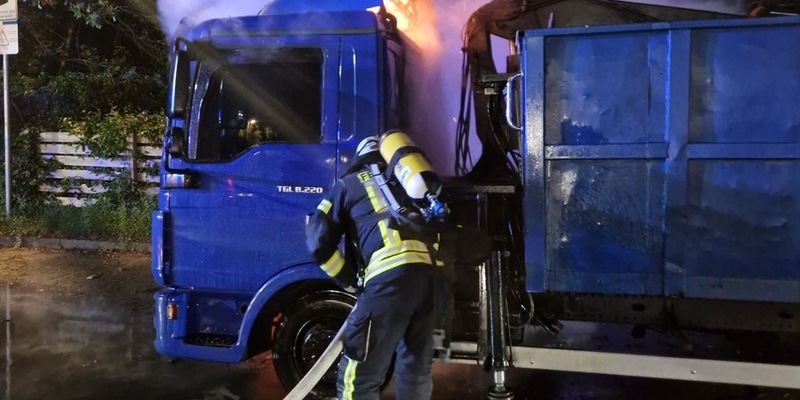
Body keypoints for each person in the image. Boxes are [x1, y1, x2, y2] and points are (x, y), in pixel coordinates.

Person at [305, 135, 440, 400]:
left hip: (388, 282)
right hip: (430, 280)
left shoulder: (347, 184)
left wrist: (349, 281)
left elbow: (317, 241)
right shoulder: (405, 184)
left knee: (359, 379)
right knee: (415, 371)